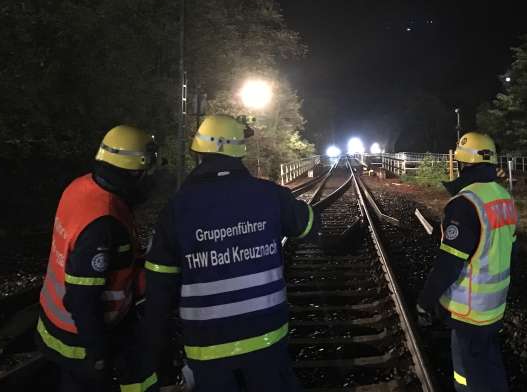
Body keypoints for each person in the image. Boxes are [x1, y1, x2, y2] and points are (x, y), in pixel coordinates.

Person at [144, 114, 319, 391]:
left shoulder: (176, 208)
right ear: (239, 151)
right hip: (267, 340)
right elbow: (308, 225)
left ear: (199, 154)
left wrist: (159, 353)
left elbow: (158, 289)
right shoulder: (269, 194)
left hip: (207, 350)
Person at [37, 125, 159, 392]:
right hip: (81, 336)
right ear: (134, 171)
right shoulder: (103, 220)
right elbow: (82, 297)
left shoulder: (82, 187)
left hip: (60, 321)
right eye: (146, 170)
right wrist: (98, 356)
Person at [417, 132, 517, 391]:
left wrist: (425, 302)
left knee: (467, 377)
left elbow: (448, 264)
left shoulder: (465, 204)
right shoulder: (503, 198)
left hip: (468, 310)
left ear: (462, 164)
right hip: (494, 306)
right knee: (489, 365)